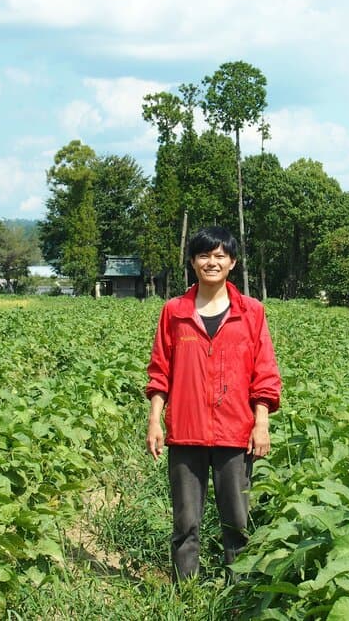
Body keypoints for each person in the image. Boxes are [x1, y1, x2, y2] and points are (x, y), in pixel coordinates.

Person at [145, 226, 282, 582]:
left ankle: (237, 593)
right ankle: (185, 592)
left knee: (236, 522)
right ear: (192, 262)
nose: (212, 262)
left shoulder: (252, 312)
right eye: (204, 255)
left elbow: (264, 372)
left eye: (220, 256)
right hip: (186, 433)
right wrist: (155, 421)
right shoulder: (174, 312)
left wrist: (261, 423)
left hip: (235, 433)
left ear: (232, 263)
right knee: (185, 521)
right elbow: (160, 371)